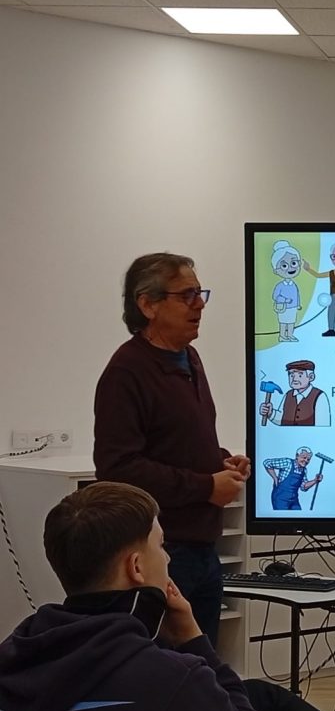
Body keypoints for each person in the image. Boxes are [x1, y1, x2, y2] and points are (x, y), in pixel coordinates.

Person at [0, 482, 335, 711]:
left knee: (260, 696)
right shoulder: (172, 678)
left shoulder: (16, 652)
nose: (168, 558)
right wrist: (193, 639)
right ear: (136, 567)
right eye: (161, 546)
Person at [94, 252, 250, 646]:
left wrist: (222, 461)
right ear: (148, 304)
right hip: (161, 552)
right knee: (166, 672)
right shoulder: (126, 371)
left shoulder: (189, 358)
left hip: (203, 548)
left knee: (204, 668)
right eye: (186, 296)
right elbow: (117, 469)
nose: (199, 305)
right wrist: (206, 486)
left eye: (200, 294)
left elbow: (176, 440)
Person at [259, 359, 331, 426]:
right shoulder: (288, 395)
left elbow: (322, 424)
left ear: (311, 377)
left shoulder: (319, 396)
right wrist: (270, 413)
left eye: (300, 375)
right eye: (291, 375)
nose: (294, 379)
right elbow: (282, 419)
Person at [271, 240, 303, 342]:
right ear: (276, 271)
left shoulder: (293, 285)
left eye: (294, 263)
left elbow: (297, 295)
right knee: (283, 322)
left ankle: (290, 335)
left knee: (291, 322)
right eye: (284, 266)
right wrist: (284, 300)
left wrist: (298, 304)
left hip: (293, 308)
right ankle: (282, 336)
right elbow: (275, 296)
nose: (290, 268)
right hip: (283, 308)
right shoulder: (280, 285)